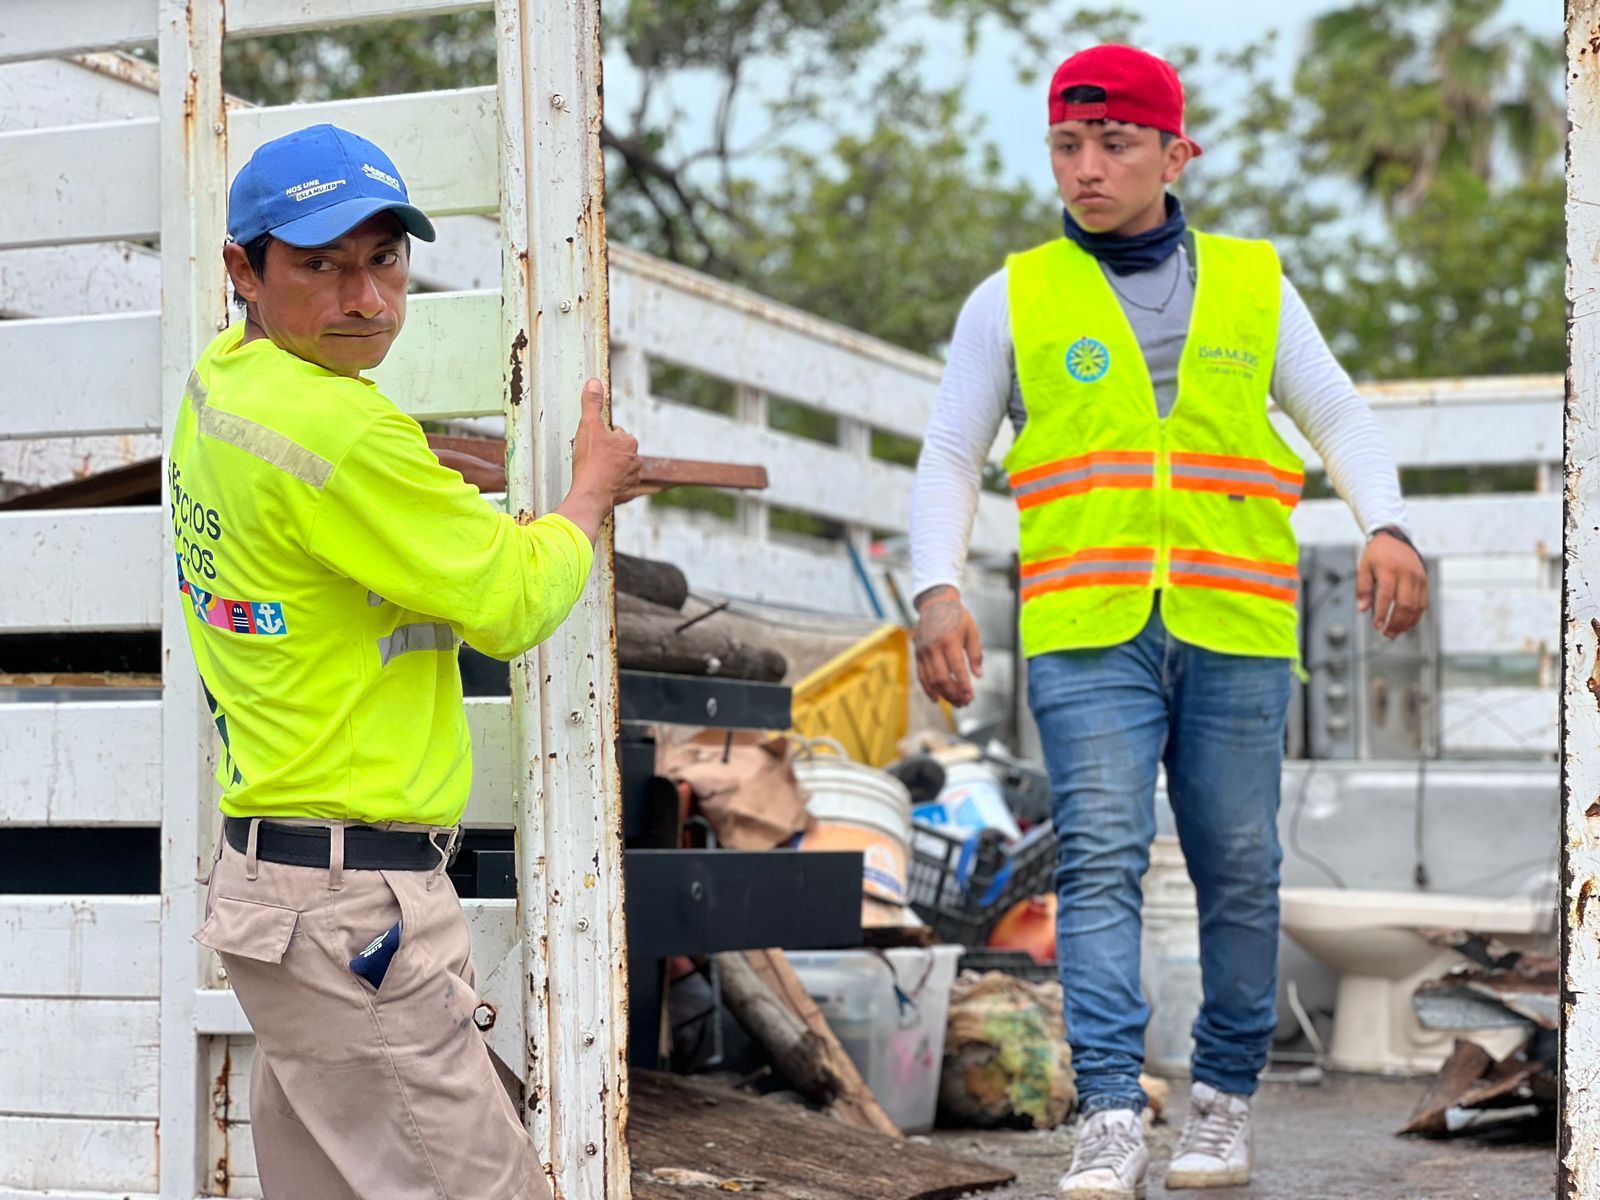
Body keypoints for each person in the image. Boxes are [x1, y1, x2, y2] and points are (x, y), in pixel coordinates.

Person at [909, 45, 1427, 1196]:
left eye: (1114, 144)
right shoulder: (1012, 296)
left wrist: (1387, 523)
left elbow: (1337, 412)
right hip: (1087, 628)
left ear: (1174, 151)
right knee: (1098, 859)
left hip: (1236, 625)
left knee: (1238, 865)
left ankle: (1222, 1104)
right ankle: (1105, 1110)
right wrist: (933, 586)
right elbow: (951, 453)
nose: (1085, 168)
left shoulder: (1253, 284)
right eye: (1066, 145)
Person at [173, 123, 640, 1200]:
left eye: (384, 260)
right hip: (350, 912)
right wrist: (588, 496)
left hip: (276, 901)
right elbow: (514, 600)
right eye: (322, 265)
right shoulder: (346, 435)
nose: (365, 299)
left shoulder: (221, 385)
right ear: (245, 269)